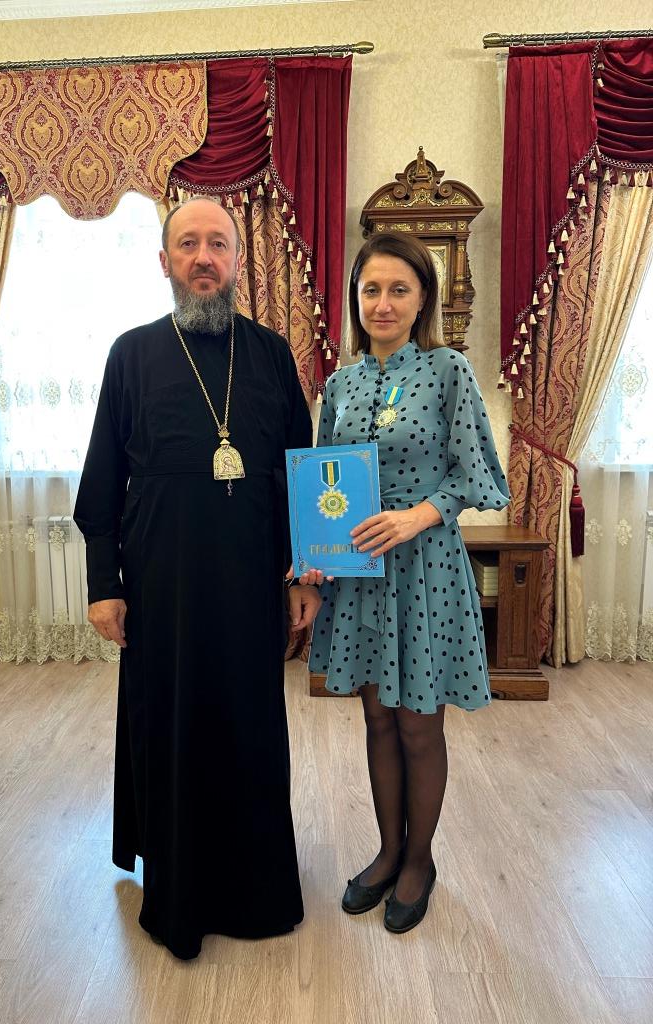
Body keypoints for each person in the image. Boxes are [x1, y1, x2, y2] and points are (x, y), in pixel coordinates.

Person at [74, 197, 321, 960]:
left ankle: (256, 890)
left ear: (239, 260)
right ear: (165, 261)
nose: (204, 257)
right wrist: (104, 583)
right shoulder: (131, 354)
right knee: (173, 726)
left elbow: (303, 472)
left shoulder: (272, 354)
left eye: (218, 243)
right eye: (188, 244)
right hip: (162, 586)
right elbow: (101, 481)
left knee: (250, 728)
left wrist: (305, 574)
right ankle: (178, 892)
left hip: (252, 581)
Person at [306, 233, 509, 933]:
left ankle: (419, 861)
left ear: (423, 299)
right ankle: (388, 850)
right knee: (377, 718)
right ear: (355, 299)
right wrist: (314, 551)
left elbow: (480, 475)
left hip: (425, 570)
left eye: (399, 289)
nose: (383, 303)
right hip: (360, 574)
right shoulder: (340, 385)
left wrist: (417, 515)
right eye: (371, 289)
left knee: (420, 724)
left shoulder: (449, 370)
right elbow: (323, 481)